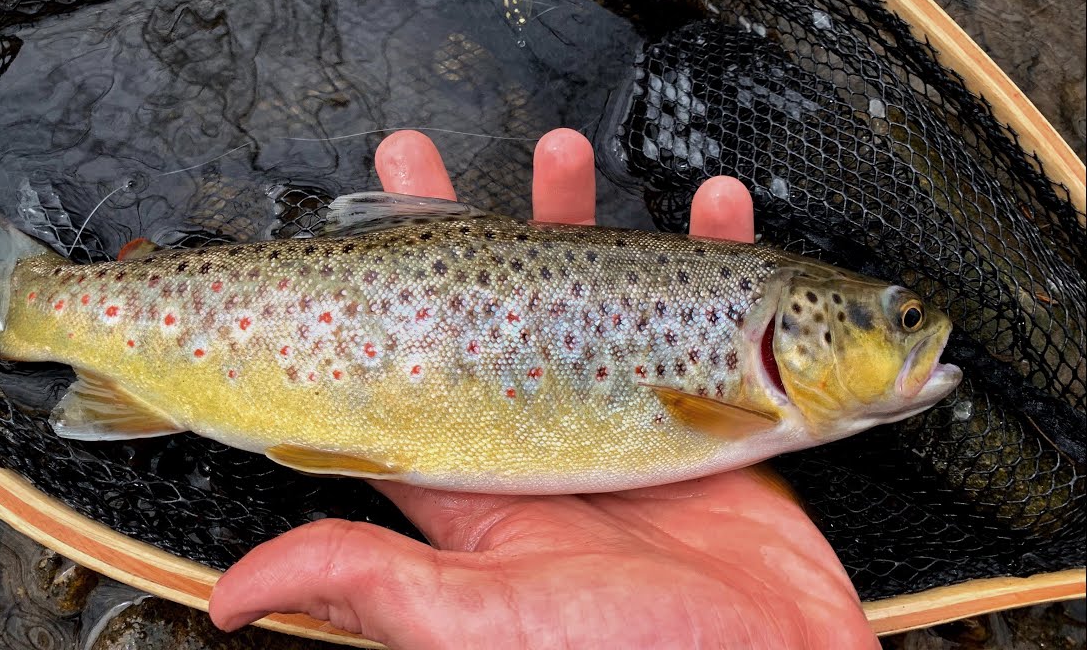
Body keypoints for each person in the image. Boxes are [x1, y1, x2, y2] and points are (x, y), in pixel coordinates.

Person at [208, 129, 880, 649]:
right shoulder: (752, 410)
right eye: (903, 321)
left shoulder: (752, 397)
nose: (917, 335)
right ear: (795, 324)